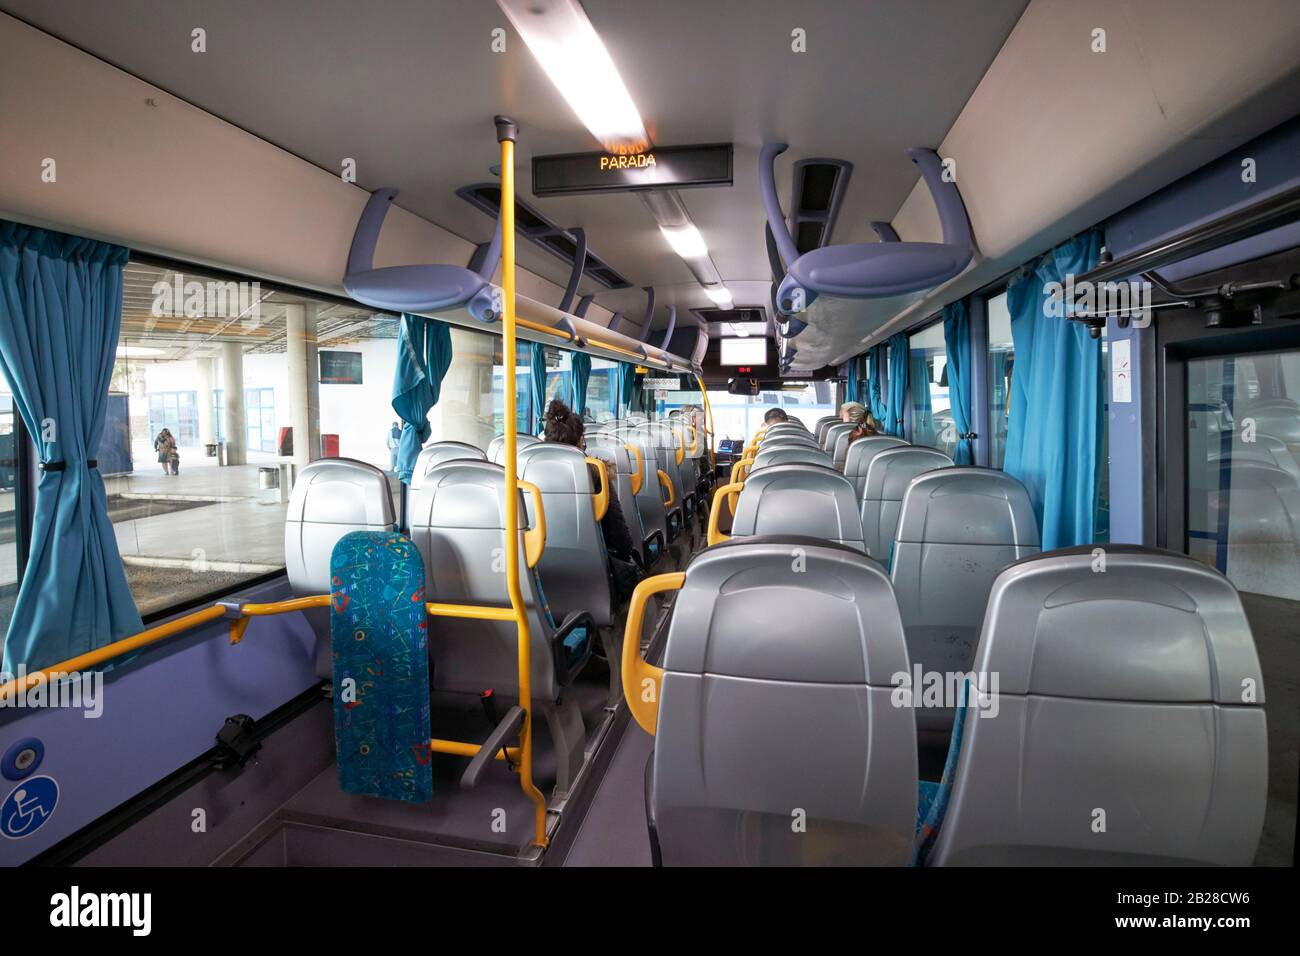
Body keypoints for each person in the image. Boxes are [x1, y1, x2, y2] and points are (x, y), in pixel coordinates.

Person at [541, 398, 643, 602]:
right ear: (580, 441)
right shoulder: (595, 474)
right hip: (594, 585)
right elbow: (621, 540)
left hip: (541, 581)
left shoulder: (526, 475)